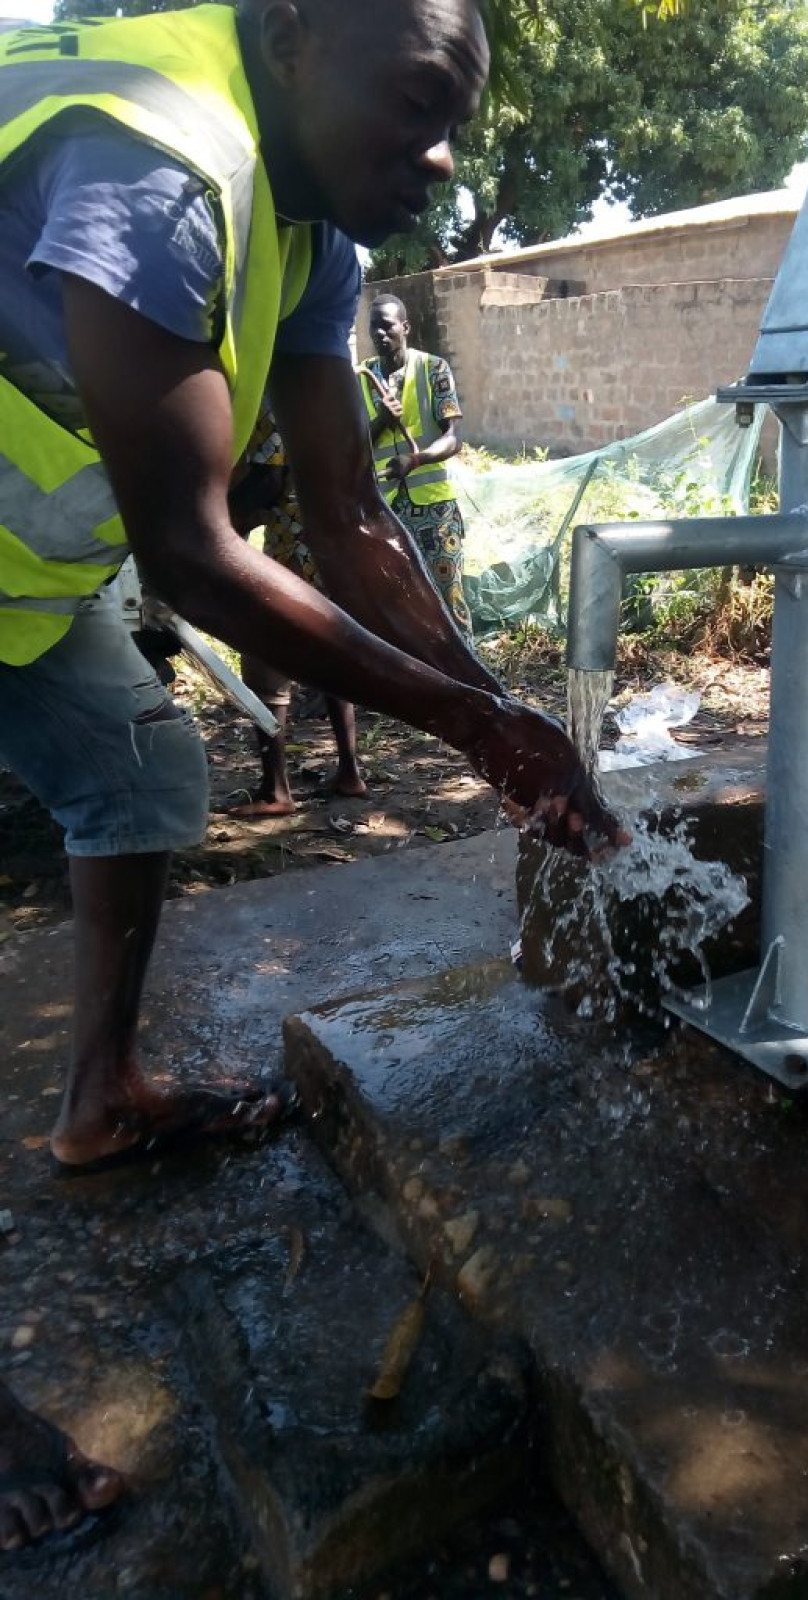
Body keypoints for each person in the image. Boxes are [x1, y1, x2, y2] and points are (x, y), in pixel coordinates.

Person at [0, 0, 621, 1555]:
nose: (444, 156)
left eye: (456, 120)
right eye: (415, 104)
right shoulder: (156, 159)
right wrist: (479, 735)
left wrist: (504, 708)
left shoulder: (313, 231)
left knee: (142, 774)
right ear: (289, 32)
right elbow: (199, 556)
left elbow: (348, 521)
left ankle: (105, 1100)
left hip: (16, 588)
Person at [226, 409, 367, 816]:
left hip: (296, 551)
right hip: (338, 550)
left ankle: (276, 791)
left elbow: (268, 481)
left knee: (264, 660)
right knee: (335, 658)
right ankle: (350, 772)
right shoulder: (321, 391)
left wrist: (215, 517)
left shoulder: (269, 397)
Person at [361, 295, 474, 637]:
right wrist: (382, 419)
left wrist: (415, 459)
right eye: (374, 326)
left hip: (434, 508)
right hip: (385, 508)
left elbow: (454, 438)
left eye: (388, 325)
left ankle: (469, 680)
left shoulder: (433, 368)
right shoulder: (360, 376)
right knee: (396, 600)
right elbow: (352, 444)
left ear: (405, 327)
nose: (381, 333)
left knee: (447, 595)